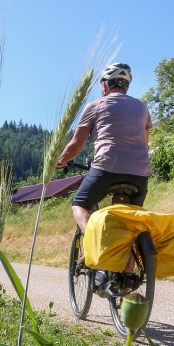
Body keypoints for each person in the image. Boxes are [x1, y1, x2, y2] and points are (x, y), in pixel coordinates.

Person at [57, 62, 153, 233]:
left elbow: (75, 146)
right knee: (130, 225)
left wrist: (60, 160)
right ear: (127, 86)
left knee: (79, 205)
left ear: (105, 85)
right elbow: (145, 144)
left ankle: (94, 244)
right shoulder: (142, 107)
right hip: (140, 173)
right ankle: (132, 257)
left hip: (107, 167)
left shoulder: (95, 105)